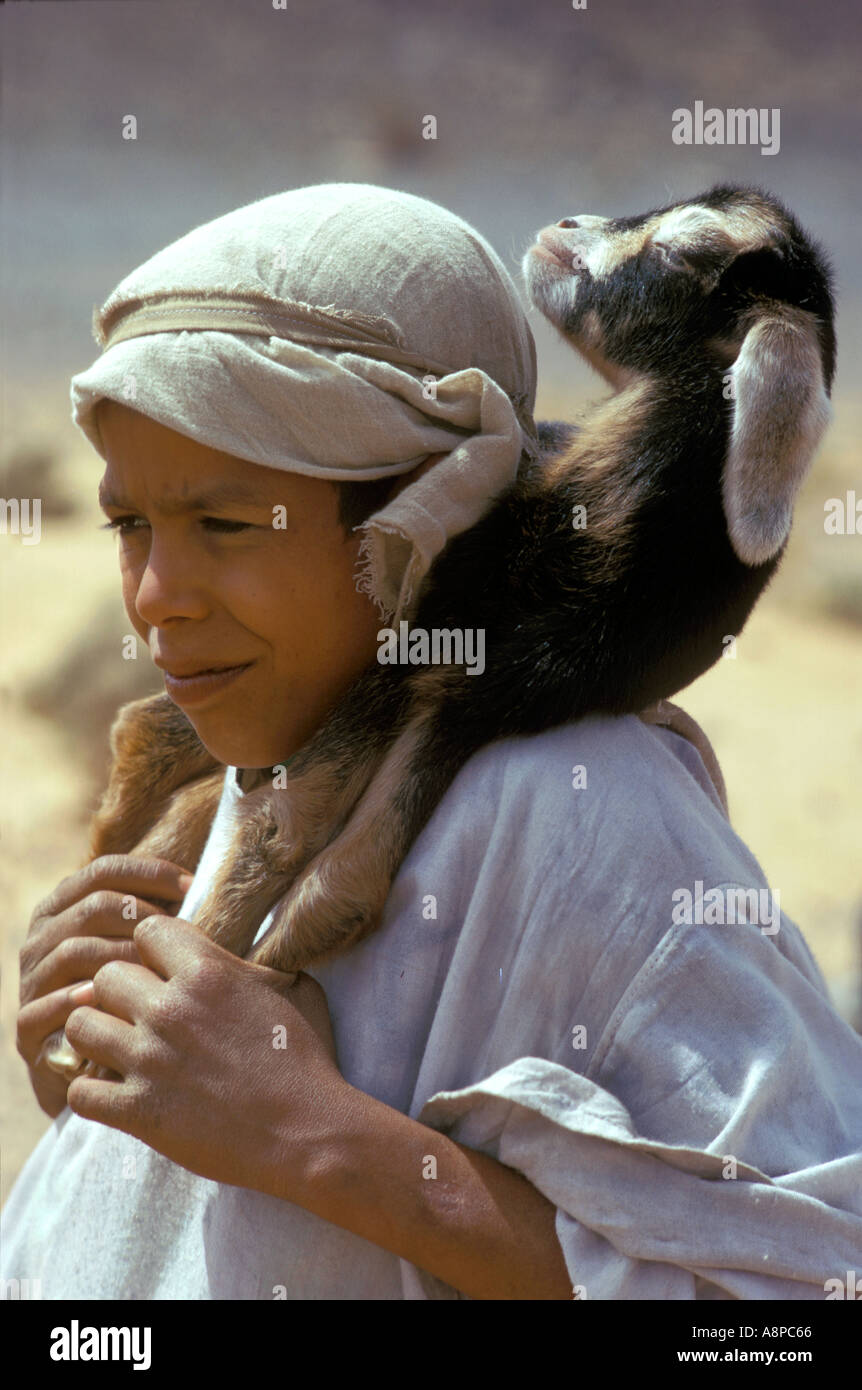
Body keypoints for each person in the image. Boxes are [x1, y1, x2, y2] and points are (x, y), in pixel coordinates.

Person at [2, 184, 861, 1301]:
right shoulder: (263, 780)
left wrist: (317, 1136)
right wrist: (97, 1099)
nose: (156, 596)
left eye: (224, 524)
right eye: (129, 524)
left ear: (428, 507)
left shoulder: (575, 814)